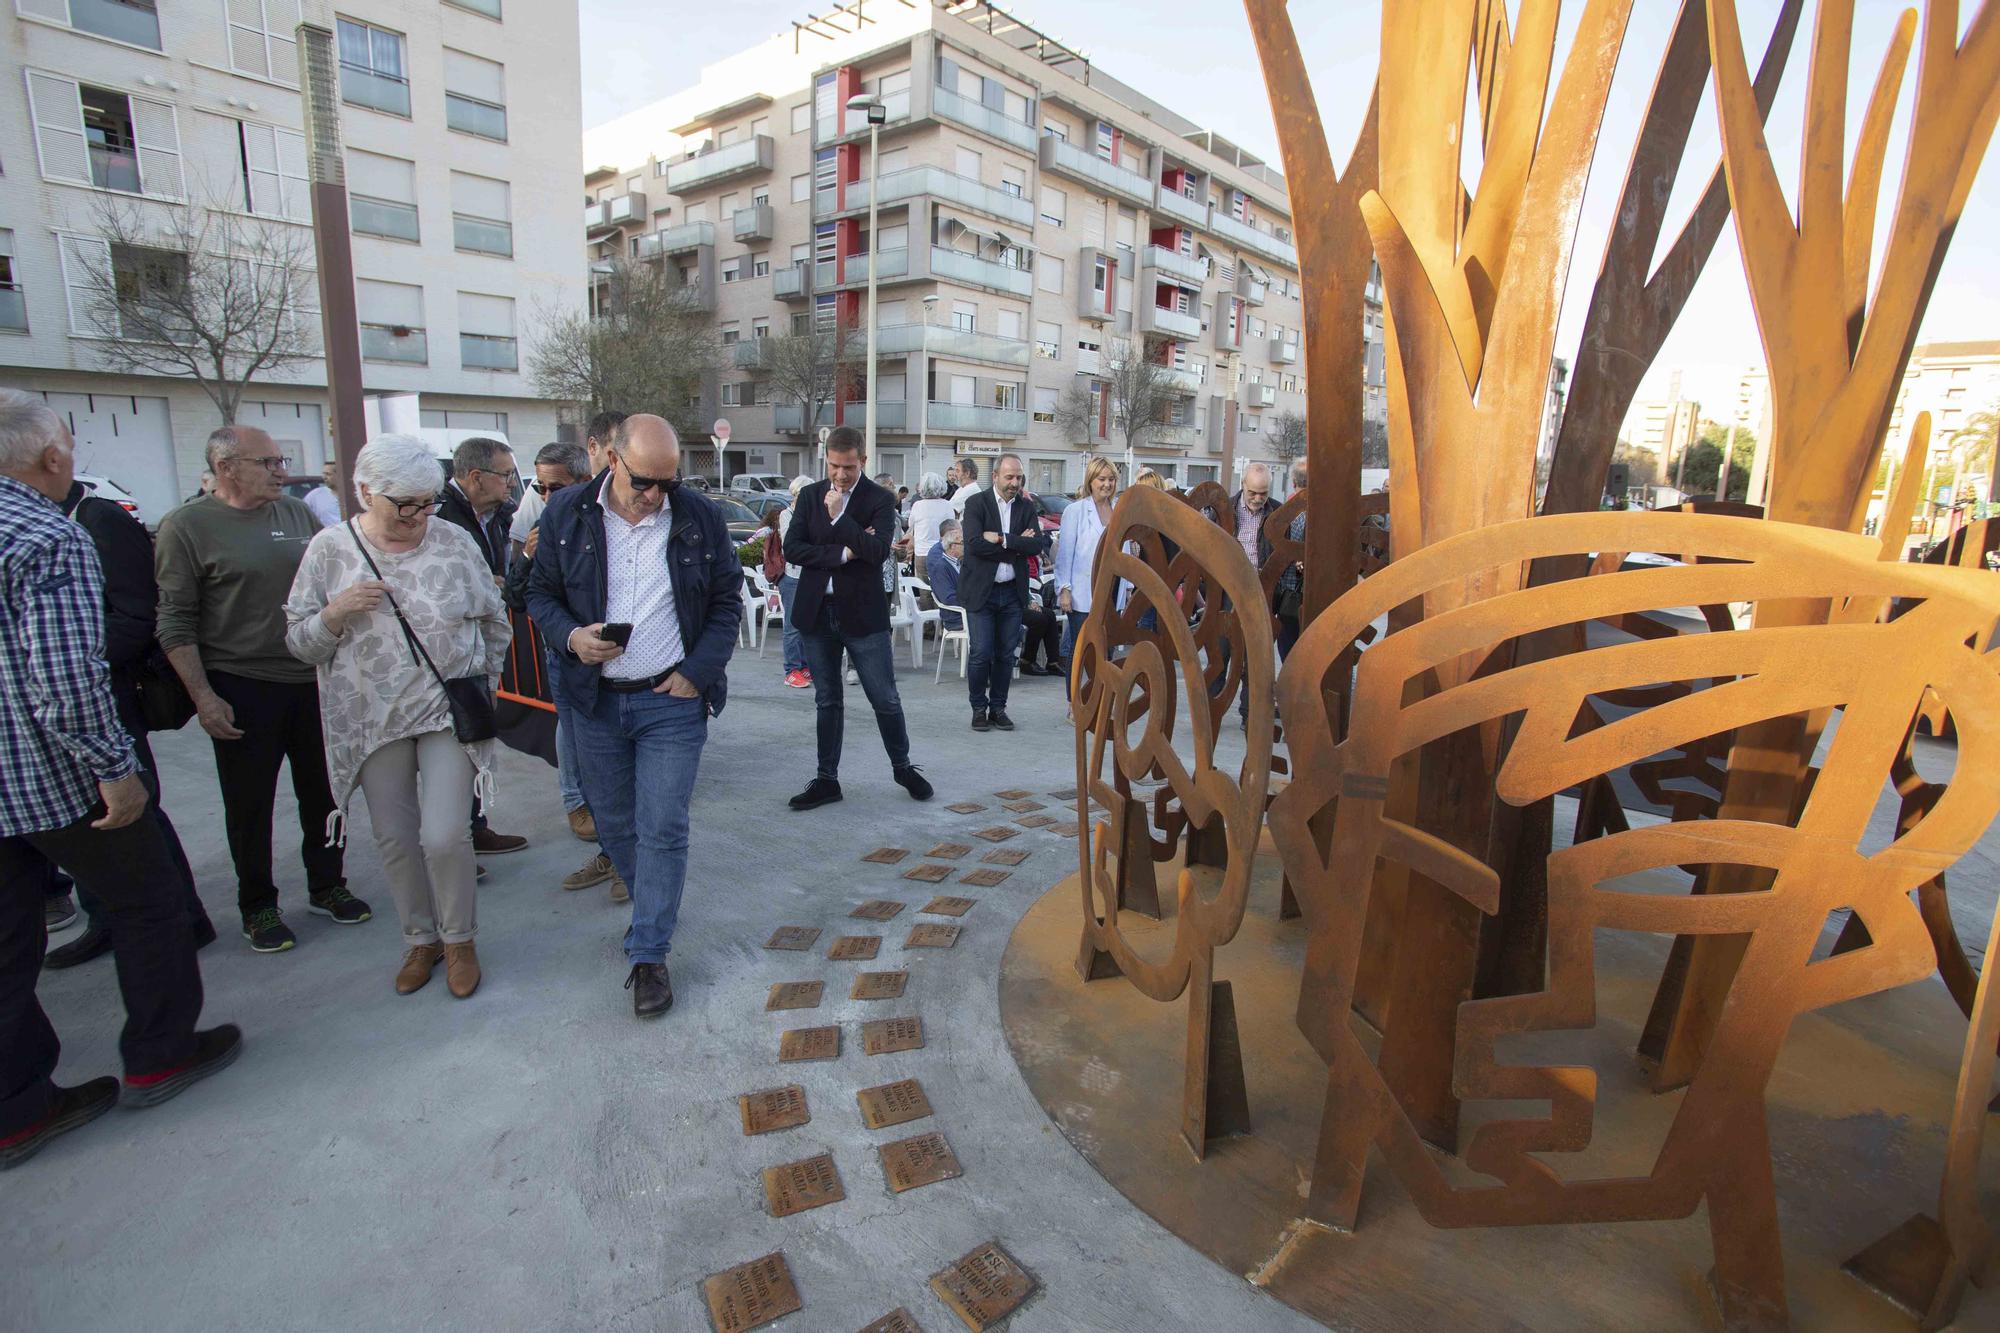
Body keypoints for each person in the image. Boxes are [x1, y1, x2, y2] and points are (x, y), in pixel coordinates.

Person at [0, 391, 240, 1170]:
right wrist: (116, 769)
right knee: (150, 904)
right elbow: (66, 683)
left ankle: (16, 1108)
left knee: (6, 944)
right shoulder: (45, 535)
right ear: (54, 458)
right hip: (53, 778)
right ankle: (162, 1052)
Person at [527, 414, 743, 1019]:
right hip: (593, 700)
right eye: (646, 481)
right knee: (615, 825)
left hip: (670, 701)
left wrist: (696, 672)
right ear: (612, 460)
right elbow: (538, 595)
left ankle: (648, 953)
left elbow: (727, 602)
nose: (657, 496)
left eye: (669, 483)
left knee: (664, 826)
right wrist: (572, 636)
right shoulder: (567, 511)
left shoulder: (695, 515)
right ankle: (645, 896)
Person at [284, 434, 511, 999]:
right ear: (365, 491)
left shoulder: (454, 541)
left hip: (443, 713)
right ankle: (420, 939)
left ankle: (460, 939)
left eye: (427, 502)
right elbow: (299, 643)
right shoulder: (330, 550)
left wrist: (489, 682)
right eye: (404, 503)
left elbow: (493, 618)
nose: (418, 515)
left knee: (444, 836)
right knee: (394, 838)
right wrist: (335, 613)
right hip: (369, 719)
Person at [156, 425, 367, 954]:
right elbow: (175, 622)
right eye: (268, 462)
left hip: (312, 676)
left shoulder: (297, 515)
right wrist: (204, 697)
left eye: (279, 460)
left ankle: (327, 884)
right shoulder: (186, 527)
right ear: (226, 468)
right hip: (242, 685)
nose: (281, 470)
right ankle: (258, 904)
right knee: (249, 804)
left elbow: (334, 578)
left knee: (324, 791)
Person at [38, 464, 218, 970]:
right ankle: (108, 920)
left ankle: (185, 920)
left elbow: (139, 616)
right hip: (55, 703)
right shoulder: (39, 520)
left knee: (135, 810)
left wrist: (74, 664)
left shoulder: (98, 520)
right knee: (87, 816)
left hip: (103, 694)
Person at [783, 426, 933, 811]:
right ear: (826, 460)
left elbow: (878, 550)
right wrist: (843, 553)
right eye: (834, 466)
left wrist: (838, 521)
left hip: (864, 615)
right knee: (827, 699)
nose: (840, 475)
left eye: (848, 467)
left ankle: (902, 767)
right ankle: (826, 779)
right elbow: (794, 548)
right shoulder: (812, 495)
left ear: (862, 461)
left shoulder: (879, 500)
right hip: (818, 613)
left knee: (884, 697)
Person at [438, 436, 529, 858]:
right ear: (476, 477)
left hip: (479, 649)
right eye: (506, 474)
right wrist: (482, 588)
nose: (512, 483)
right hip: (444, 659)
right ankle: (453, 846)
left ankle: (474, 830)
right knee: (447, 753)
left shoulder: (497, 514)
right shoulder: (441, 518)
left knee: (475, 739)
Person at [957, 453, 1049, 732]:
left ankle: (998, 708)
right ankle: (978, 708)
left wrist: (1000, 538)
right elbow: (973, 545)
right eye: (1009, 476)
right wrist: (1016, 546)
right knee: (981, 653)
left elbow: (1037, 545)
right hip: (981, 593)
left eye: (1018, 477)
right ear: (995, 476)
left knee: (1006, 654)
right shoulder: (976, 503)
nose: (1014, 482)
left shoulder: (1026, 506)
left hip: (1012, 592)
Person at [1054, 456, 1118, 702]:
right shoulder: (1076, 511)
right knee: (1081, 648)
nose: (1106, 484)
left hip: (1112, 591)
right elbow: (1065, 552)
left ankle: (1100, 700)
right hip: (1082, 592)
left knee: (1107, 649)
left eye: (1111, 479)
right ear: (1090, 481)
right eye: (1101, 479)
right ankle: (1075, 702)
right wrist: (1065, 589)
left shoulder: (1119, 510)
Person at [774, 475, 813, 689]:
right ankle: (791, 670)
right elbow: (792, 547)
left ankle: (805, 665)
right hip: (793, 576)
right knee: (792, 625)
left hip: (809, 576)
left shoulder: (811, 515)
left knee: (807, 624)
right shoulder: (787, 515)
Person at [1275, 459, 1309, 658]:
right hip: (1309, 594)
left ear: (1294, 482)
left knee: (1289, 650)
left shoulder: (1286, 512)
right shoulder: (1326, 514)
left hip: (1289, 595)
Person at [907, 472, 956, 583]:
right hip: (942, 552)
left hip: (922, 553)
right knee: (941, 588)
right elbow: (953, 528)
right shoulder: (948, 505)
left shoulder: (917, 505)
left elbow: (911, 525)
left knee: (924, 591)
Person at [1019, 576, 1064, 676]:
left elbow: (1024, 589)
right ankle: (1027, 661)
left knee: (1050, 614)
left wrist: (1032, 602)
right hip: (1010, 607)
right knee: (1039, 619)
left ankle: (1053, 662)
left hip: (1022, 604)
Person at [924, 521, 965, 630]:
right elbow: (948, 598)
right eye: (962, 542)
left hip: (967, 612)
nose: (966, 546)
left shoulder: (959, 563)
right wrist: (974, 602)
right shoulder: (941, 567)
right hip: (957, 617)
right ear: (952, 546)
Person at [302, 461, 342, 529]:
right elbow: (302, 514)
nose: (324, 477)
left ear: (339, 475)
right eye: (323, 474)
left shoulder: (351, 494)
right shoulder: (315, 495)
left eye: (328, 474)